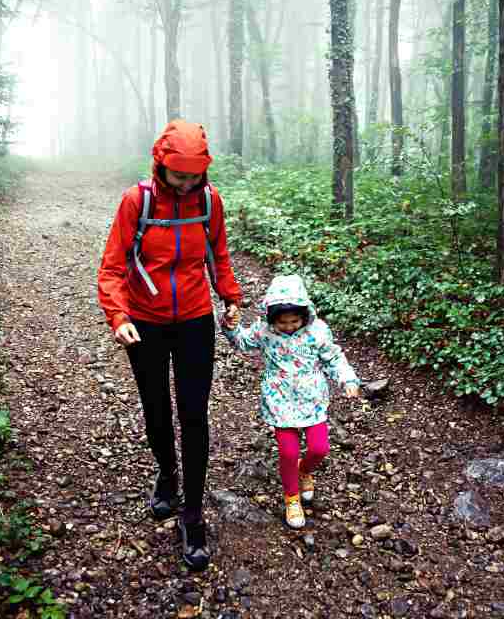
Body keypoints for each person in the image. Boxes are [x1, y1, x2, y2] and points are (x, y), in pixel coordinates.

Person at [98, 120, 243, 571]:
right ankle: (166, 474)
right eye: (178, 175)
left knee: (195, 415)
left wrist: (230, 296)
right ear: (160, 166)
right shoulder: (136, 202)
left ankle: (194, 514)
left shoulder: (208, 201)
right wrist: (118, 317)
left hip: (197, 319)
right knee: (157, 408)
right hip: (146, 322)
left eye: (193, 175)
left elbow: (218, 253)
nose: (185, 184)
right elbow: (112, 267)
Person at [221, 274, 360, 529]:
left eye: (294, 321)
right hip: (280, 399)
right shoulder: (265, 331)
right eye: (282, 322)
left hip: (312, 399)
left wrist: (347, 379)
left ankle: (304, 470)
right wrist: (230, 327)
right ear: (271, 317)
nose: (288, 327)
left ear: (305, 315)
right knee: (288, 451)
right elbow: (241, 342)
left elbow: (333, 357)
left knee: (319, 449)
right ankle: (291, 497)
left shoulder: (316, 332)